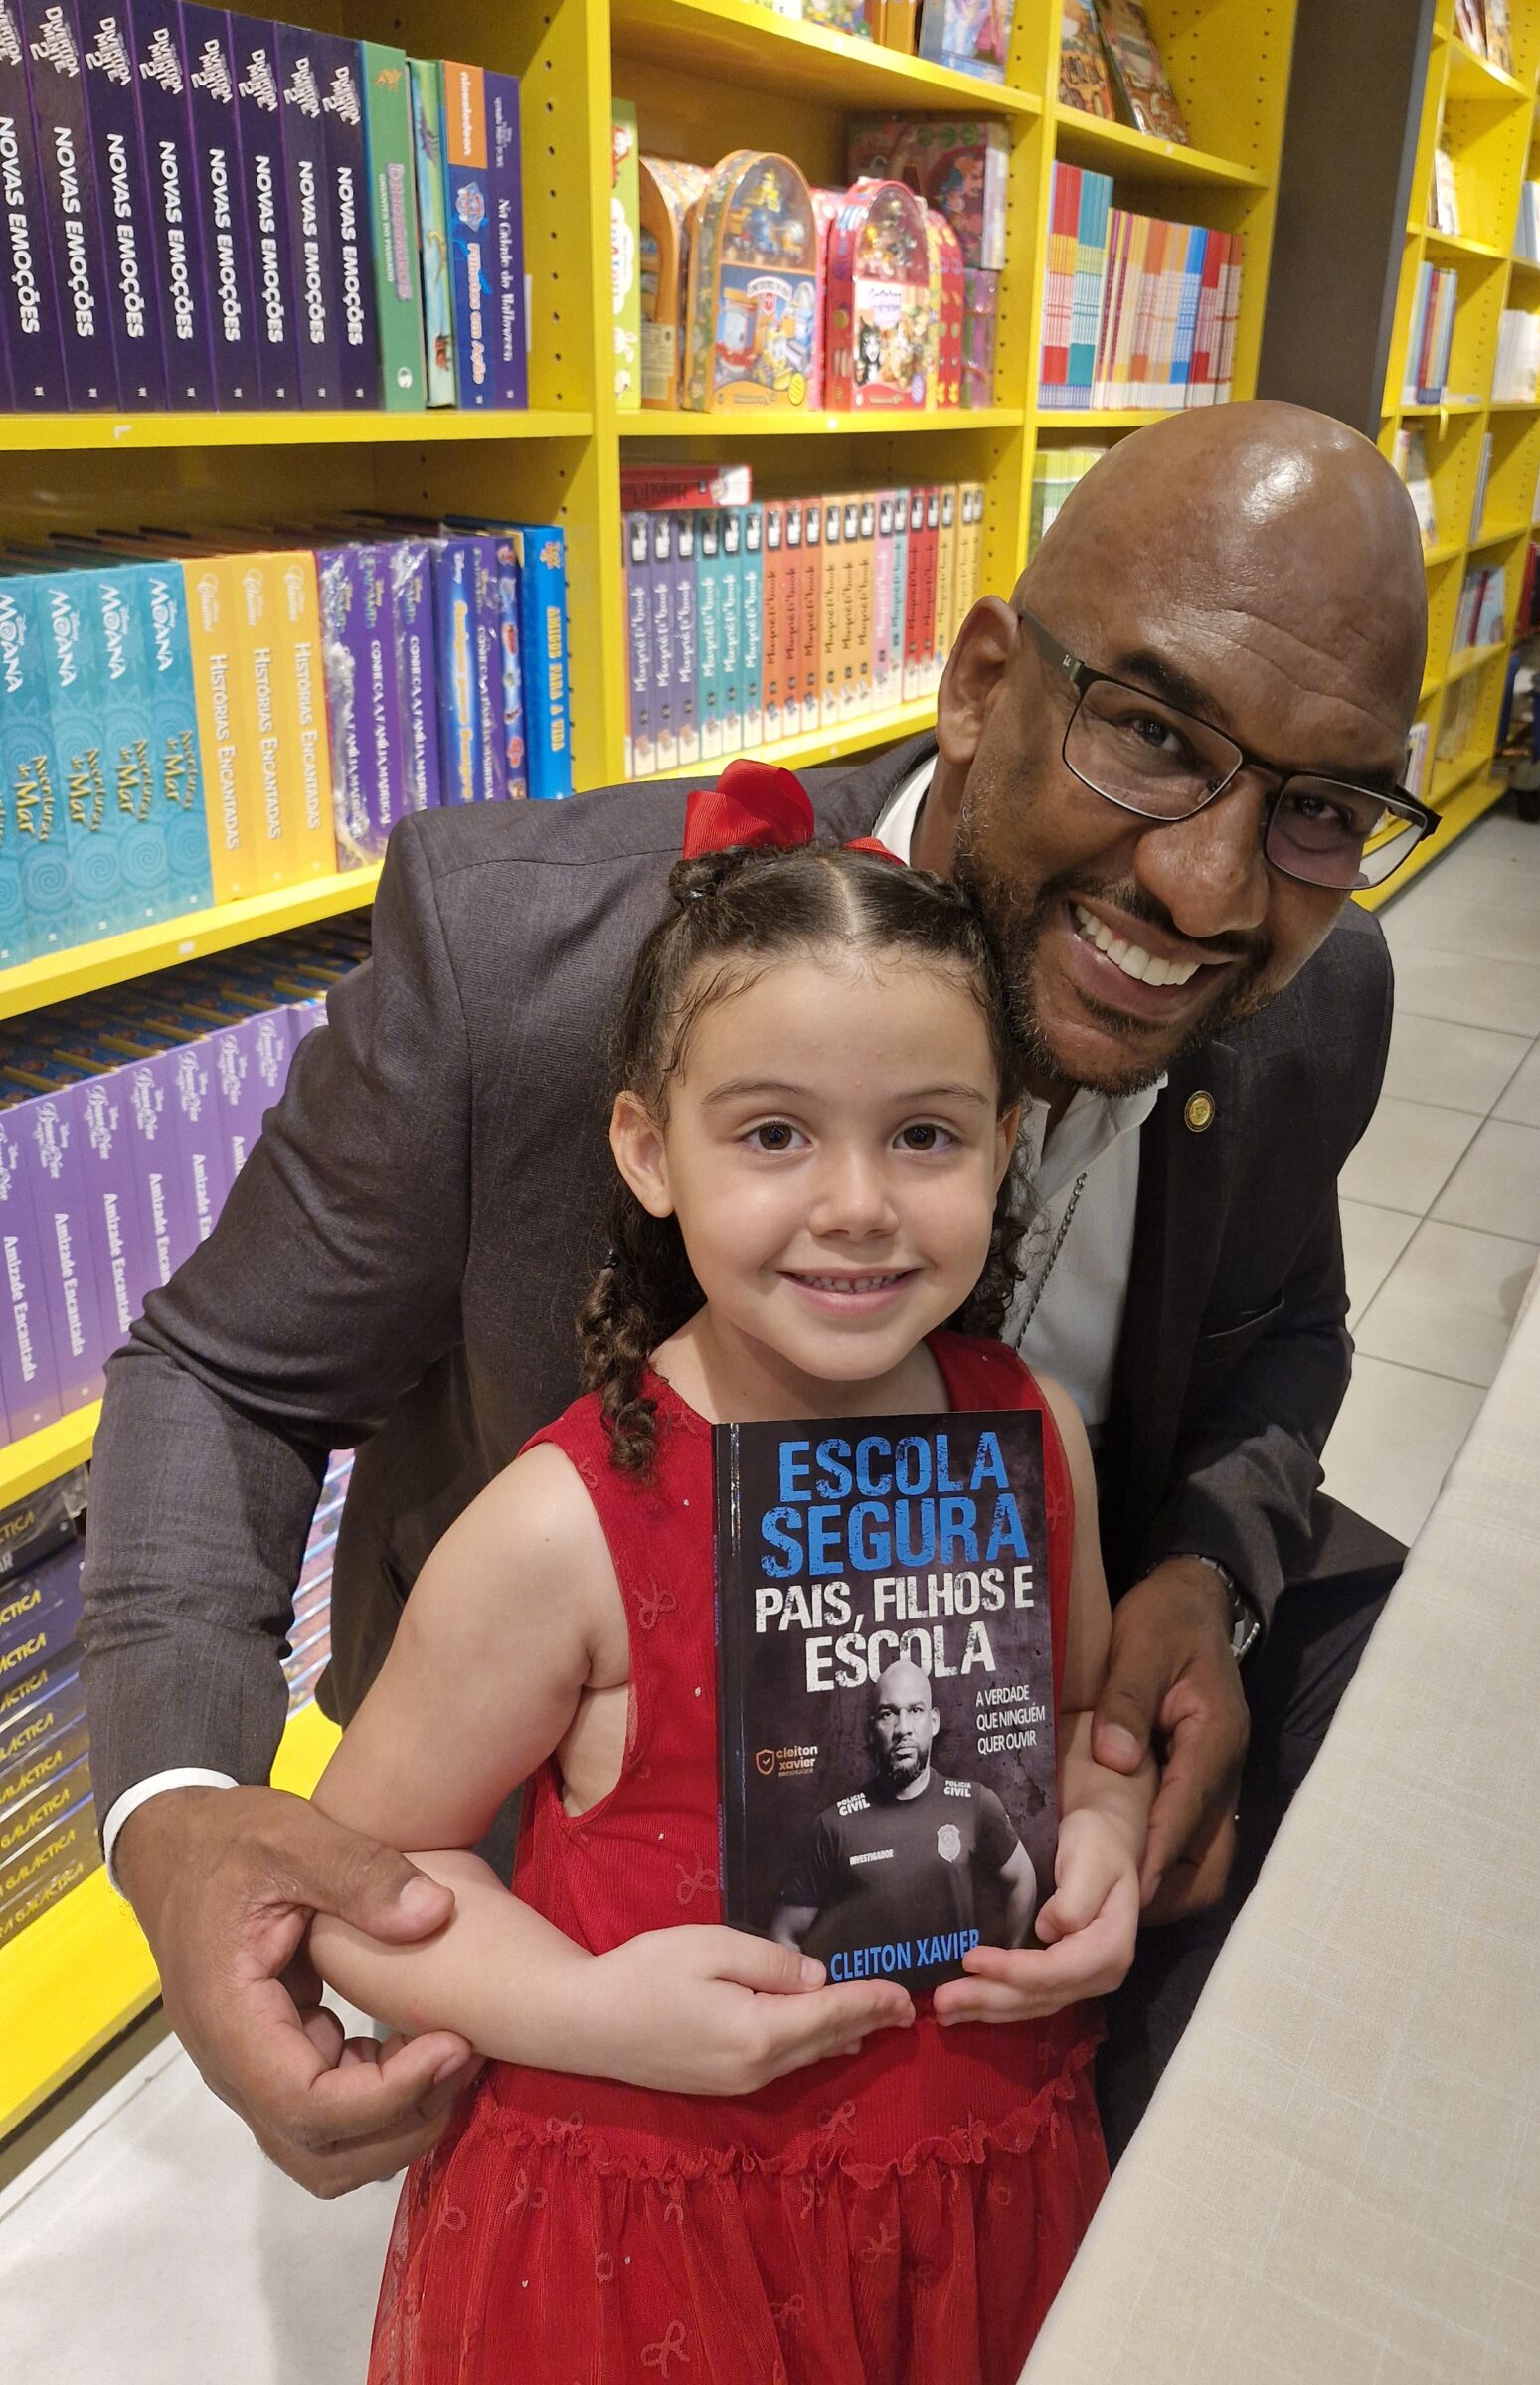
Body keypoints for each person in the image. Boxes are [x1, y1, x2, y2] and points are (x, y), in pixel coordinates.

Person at [83, 399, 1434, 2192]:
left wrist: (1200, 1574)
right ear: (981, 685)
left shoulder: (1314, 1008)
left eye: (1320, 809)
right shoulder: (527, 970)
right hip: (582, 1882)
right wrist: (177, 1818)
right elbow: (221, 1375)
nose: (1204, 885)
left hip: (1012, 1877)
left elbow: (1282, 1341)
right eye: (1151, 735)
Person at [305, 778, 1147, 2381]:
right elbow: (363, 1868)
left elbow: (1082, 1724)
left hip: (978, 2186)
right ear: (650, 1149)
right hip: (653, 2238)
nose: (857, 1205)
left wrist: (1101, 1838)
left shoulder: (1034, 1440)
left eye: (924, 1135)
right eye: (773, 1134)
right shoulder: (565, 1525)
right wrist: (586, 2010)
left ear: (1006, 1143)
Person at [770, 1658, 1040, 1971]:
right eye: (888, 1714)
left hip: (957, 1998)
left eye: (915, 1710)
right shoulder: (833, 1827)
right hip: (869, 2001)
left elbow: (1023, 1878)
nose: (903, 1728)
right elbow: (784, 1933)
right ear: (872, 1729)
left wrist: (1008, 1962)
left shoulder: (975, 1803)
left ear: (933, 1721)